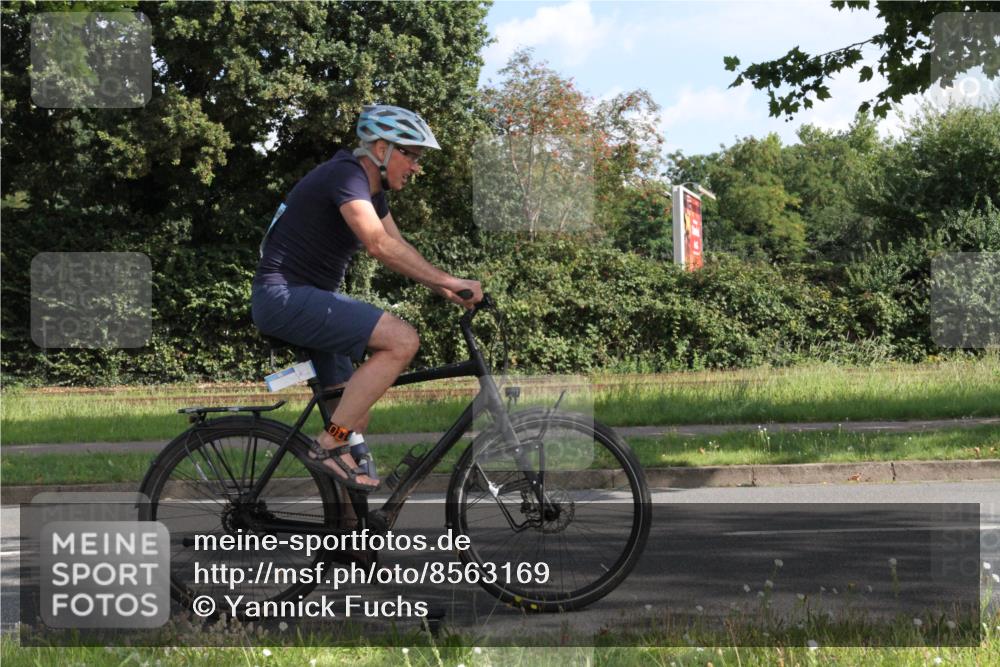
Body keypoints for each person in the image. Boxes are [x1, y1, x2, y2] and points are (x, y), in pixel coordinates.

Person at [251, 104, 482, 493]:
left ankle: (346, 540)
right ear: (380, 149)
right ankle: (329, 444)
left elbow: (396, 244)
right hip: (285, 297)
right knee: (401, 340)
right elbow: (377, 245)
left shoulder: (372, 193)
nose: (416, 167)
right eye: (411, 155)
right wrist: (448, 278)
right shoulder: (346, 174)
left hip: (305, 299)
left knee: (354, 418)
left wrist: (445, 288)